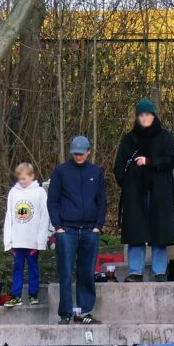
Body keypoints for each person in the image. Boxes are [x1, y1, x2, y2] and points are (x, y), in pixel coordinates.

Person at [113, 98, 174, 282]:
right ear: (137, 117)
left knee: (159, 232)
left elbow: (172, 159)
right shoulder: (129, 139)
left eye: (148, 114)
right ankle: (135, 271)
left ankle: (159, 271)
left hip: (159, 192)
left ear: (153, 116)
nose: (145, 118)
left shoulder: (164, 136)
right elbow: (118, 166)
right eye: (141, 115)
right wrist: (126, 184)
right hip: (135, 192)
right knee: (136, 231)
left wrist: (150, 162)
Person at [48, 135, 107, 324]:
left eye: (82, 153)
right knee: (65, 272)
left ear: (89, 152)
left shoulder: (96, 172)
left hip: (90, 230)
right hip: (67, 230)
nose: (79, 156)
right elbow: (53, 200)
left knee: (87, 272)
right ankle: (65, 313)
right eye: (75, 153)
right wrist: (58, 226)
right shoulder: (61, 171)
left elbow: (101, 201)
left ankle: (86, 311)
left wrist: (98, 226)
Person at [1, 162, 50, 307]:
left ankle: (33, 294)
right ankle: (16, 295)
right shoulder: (13, 192)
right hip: (17, 240)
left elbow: (44, 216)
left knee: (33, 267)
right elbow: (9, 216)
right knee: (17, 267)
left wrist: (41, 240)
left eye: (24, 178)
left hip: (32, 240)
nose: (21, 181)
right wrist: (8, 241)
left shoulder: (40, 192)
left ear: (32, 176)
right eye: (19, 179)